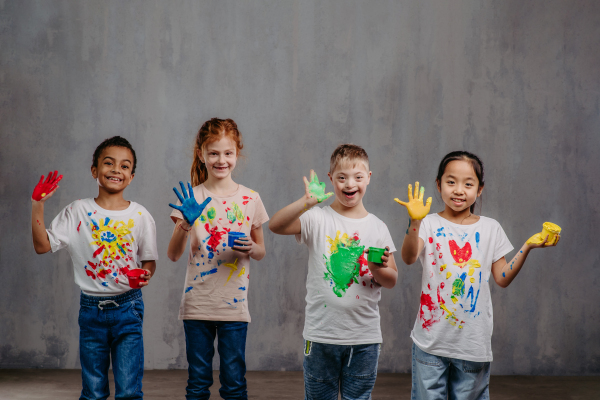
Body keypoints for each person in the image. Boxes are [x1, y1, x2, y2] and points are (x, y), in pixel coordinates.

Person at [396, 150, 560, 400]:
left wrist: (527, 246)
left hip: (472, 342)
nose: (459, 190)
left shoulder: (490, 228)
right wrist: (414, 222)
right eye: (451, 182)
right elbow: (408, 257)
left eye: (468, 184)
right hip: (430, 341)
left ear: (479, 189)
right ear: (438, 185)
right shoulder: (428, 223)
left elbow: (502, 278)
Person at [31, 136, 158, 400]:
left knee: (129, 391)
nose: (116, 170)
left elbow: (148, 260)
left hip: (129, 307)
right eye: (108, 163)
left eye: (125, 166)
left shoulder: (140, 215)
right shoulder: (77, 211)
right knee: (93, 392)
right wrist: (38, 205)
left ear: (131, 176)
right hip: (91, 310)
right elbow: (42, 246)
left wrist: (146, 273)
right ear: (94, 171)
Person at [269, 144, 398, 400]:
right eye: (342, 177)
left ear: (368, 178)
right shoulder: (317, 218)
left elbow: (392, 279)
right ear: (331, 179)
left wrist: (376, 269)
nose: (350, 184)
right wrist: (306, 203)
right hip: (321, 336)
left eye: (358, 177)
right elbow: (276, 225)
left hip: (364, 339)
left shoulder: (378, 227)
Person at [167, 118, 269, 400]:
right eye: (213, 153)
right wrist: (185, 224)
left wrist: (251, 247)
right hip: (197, 304)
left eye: (227, 153)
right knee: (198, 383)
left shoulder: (251, 198)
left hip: (234, 308)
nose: (220, 160)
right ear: (201, 154)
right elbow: (173, 255)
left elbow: (261, 252)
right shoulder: (192, 197)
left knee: (234, 383)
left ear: (237, 154)